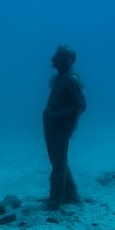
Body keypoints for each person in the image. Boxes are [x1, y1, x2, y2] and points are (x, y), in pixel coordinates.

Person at [43, 45, 86, 209]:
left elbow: (81, 105)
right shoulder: (60, 78)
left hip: (61, 128)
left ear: (68, 60)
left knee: (59, 163)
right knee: (57, 161)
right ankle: (70, 195)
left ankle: (54, 201)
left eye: (59, 56)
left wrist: (56, 116)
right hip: (52, 126)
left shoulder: (70, 79)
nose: (54, 58)